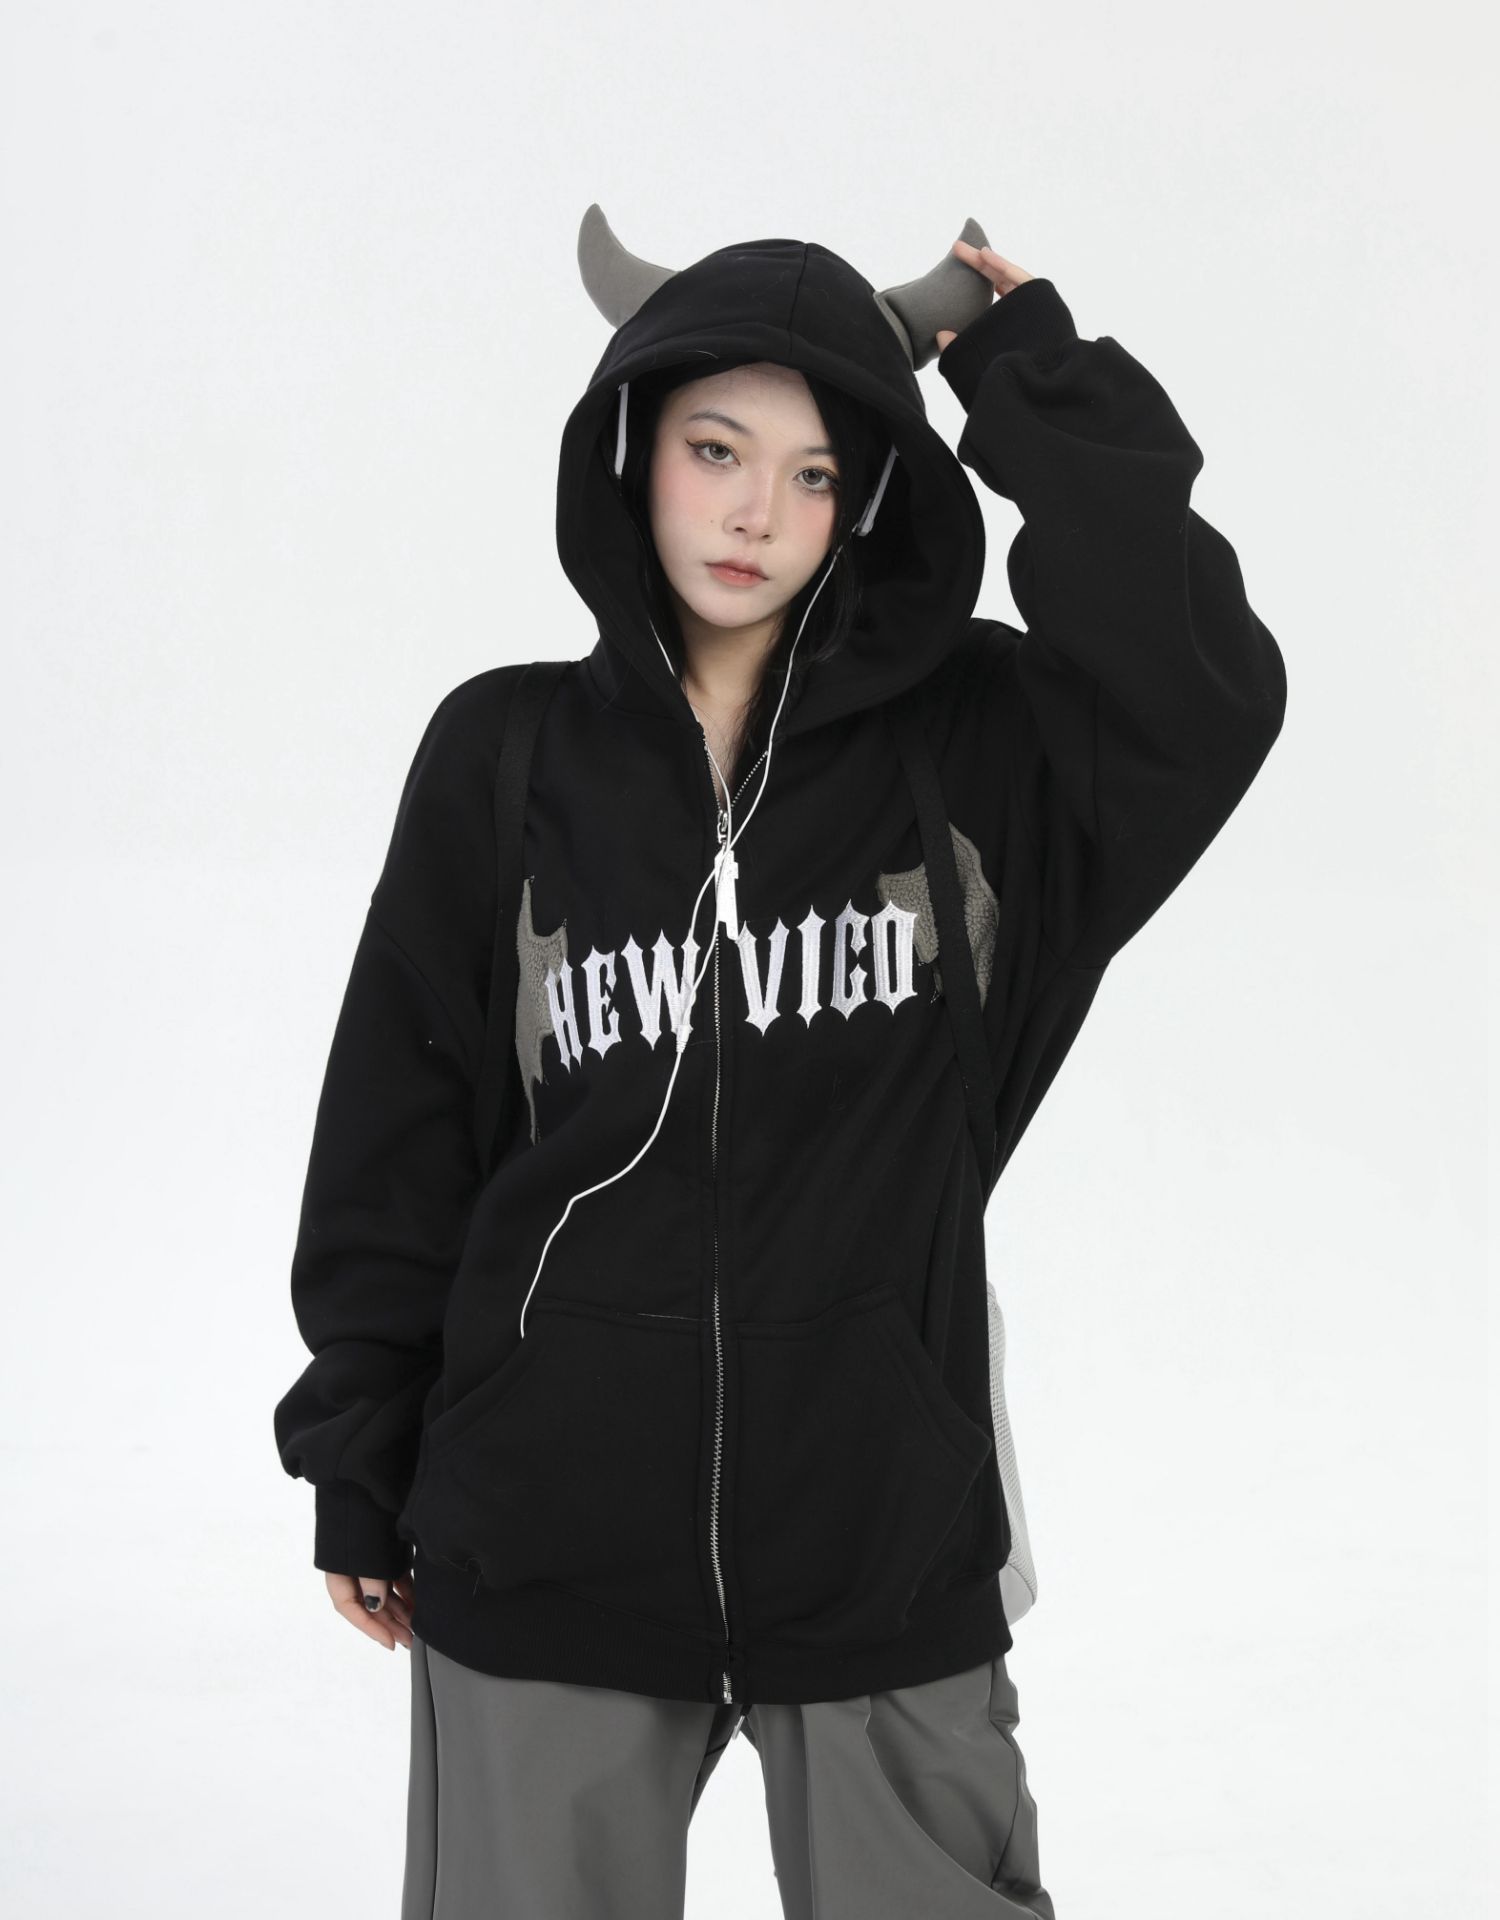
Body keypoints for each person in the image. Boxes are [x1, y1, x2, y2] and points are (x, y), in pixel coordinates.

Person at [273, 205, 1287, 1917]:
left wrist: (1028, 379)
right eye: (716, 450)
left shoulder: (984, 755)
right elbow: (401, 1127)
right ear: (632, 449)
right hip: (544, 1530)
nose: (756, 513)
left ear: (871, 495)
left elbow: (1200, 692)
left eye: (816, 473)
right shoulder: (503, 754)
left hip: (883, 1533)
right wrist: (363, 1455)